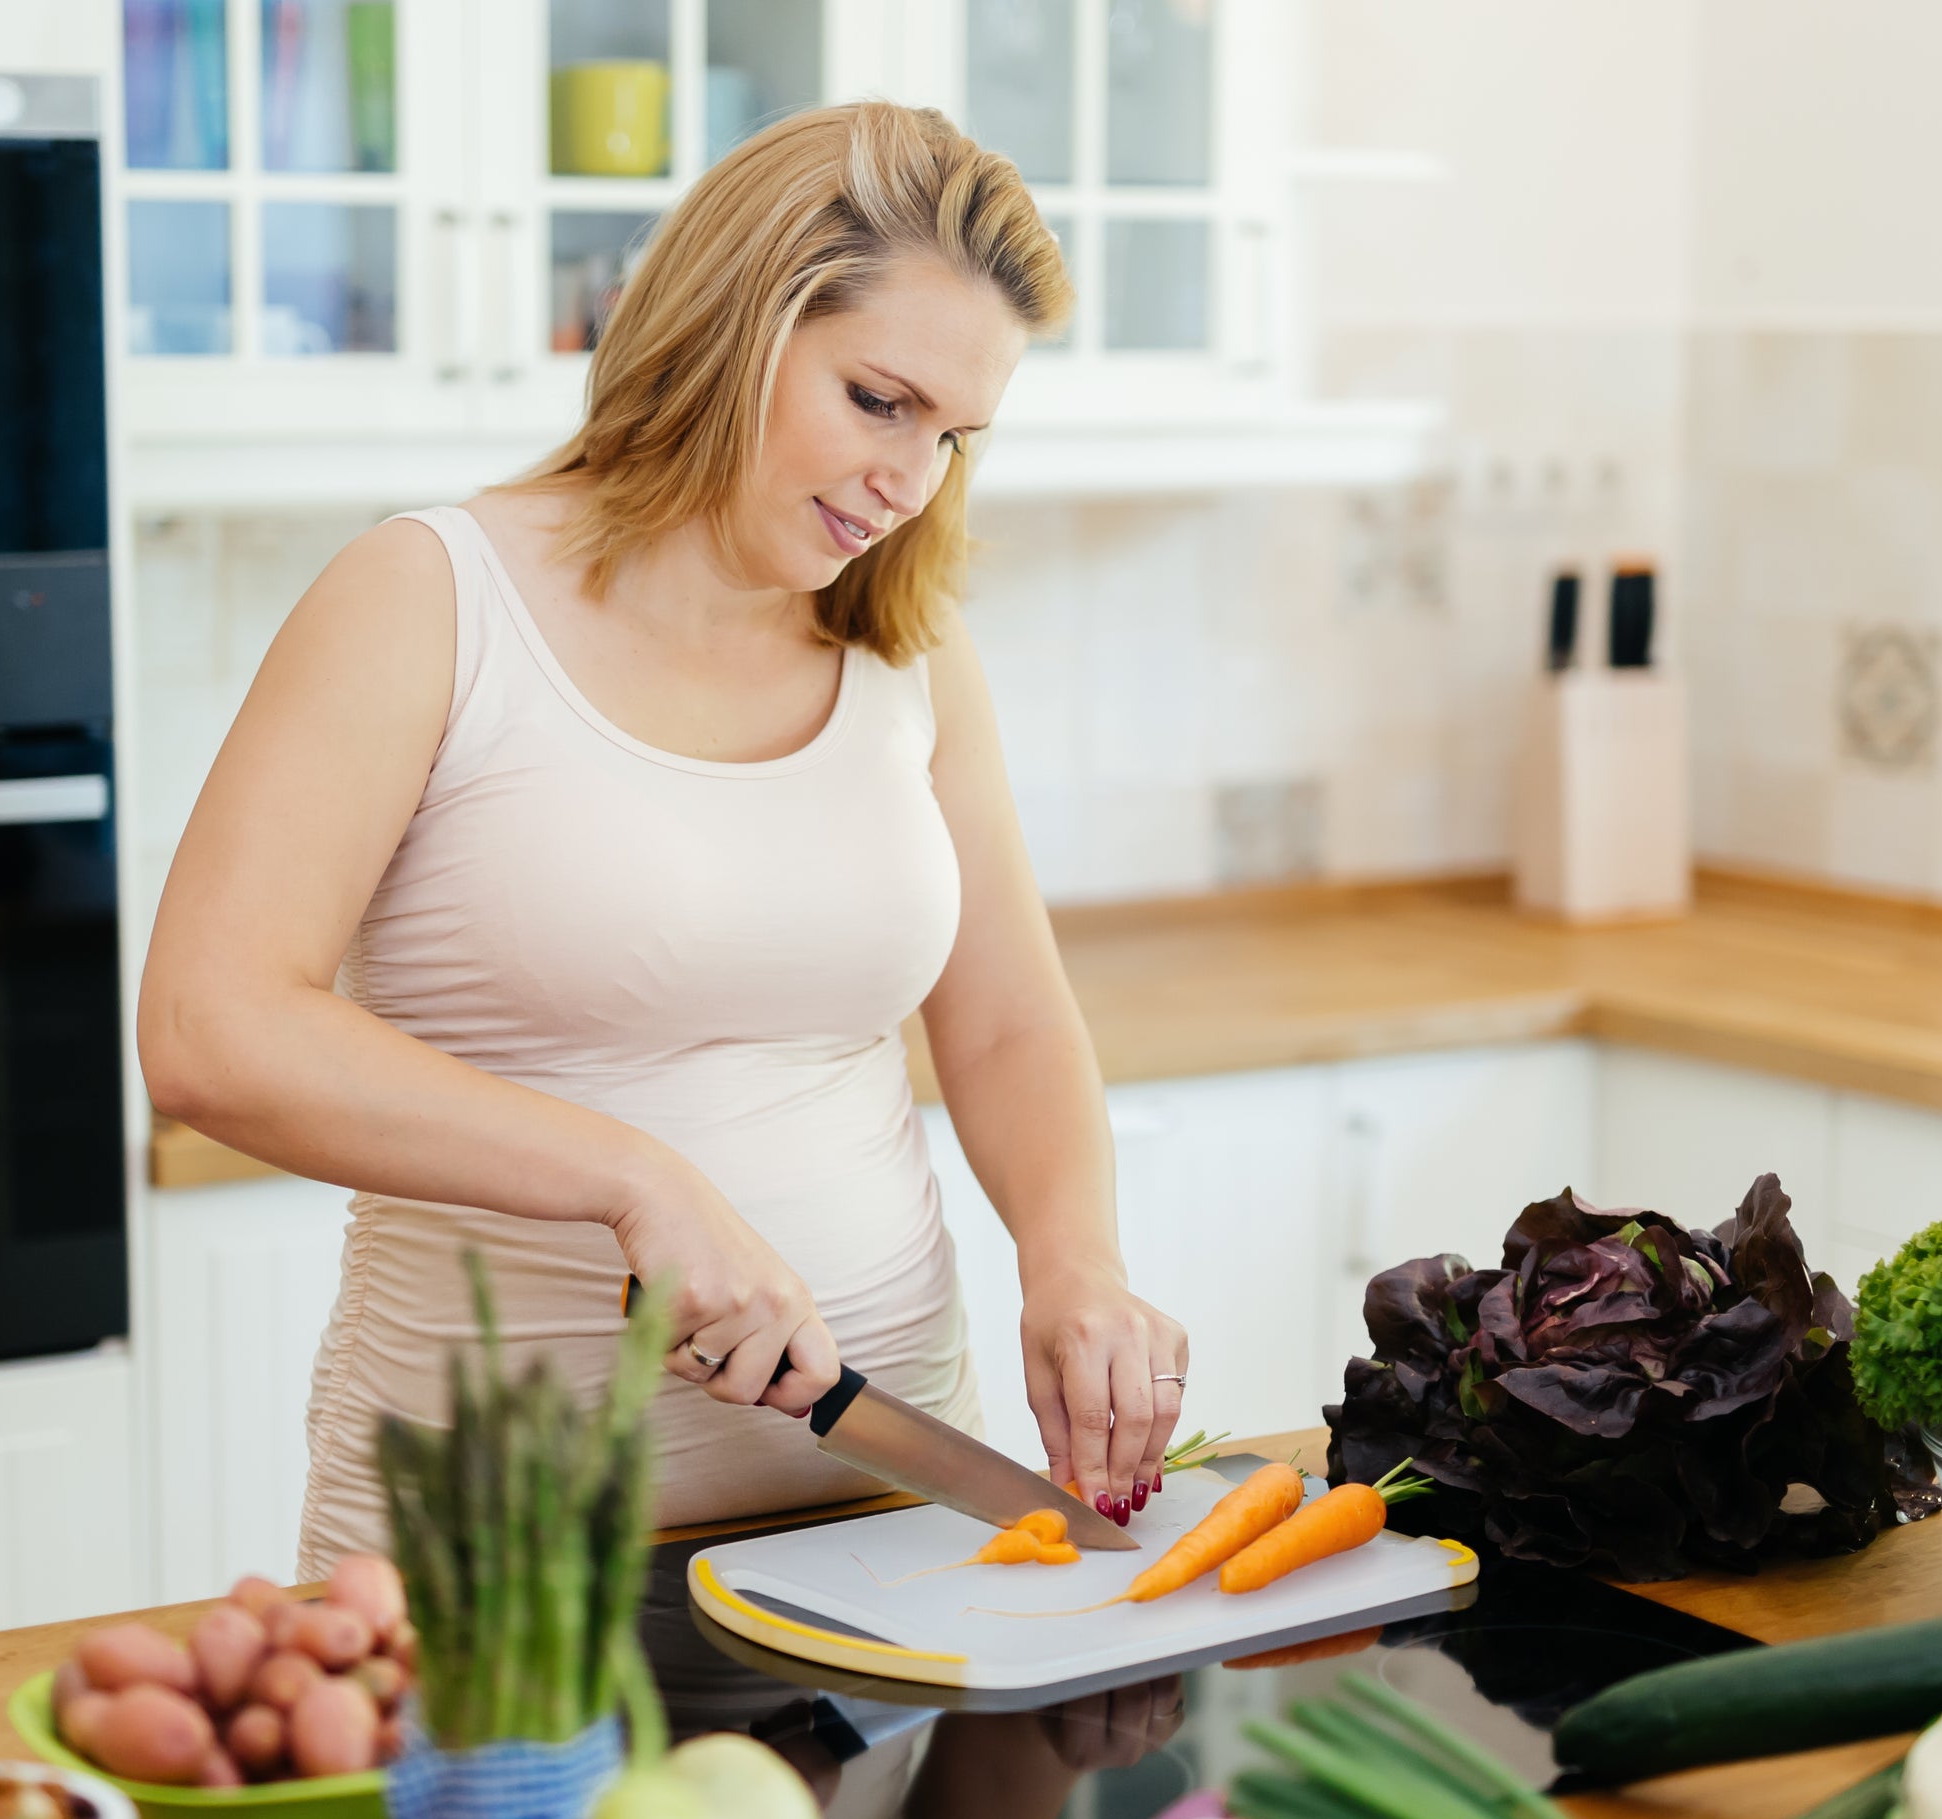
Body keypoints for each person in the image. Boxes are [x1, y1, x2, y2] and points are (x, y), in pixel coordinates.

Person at [139, 102, 1191, 1565]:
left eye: (955, 436)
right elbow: (211, 1030)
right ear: (731, 324)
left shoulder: (909, 649)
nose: (910, 482)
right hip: (501, 1556)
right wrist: (635, 1181)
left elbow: (1010, 1025)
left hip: (887, 1516)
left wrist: (1076, 1264)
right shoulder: (427, 597)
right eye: (878, 400)